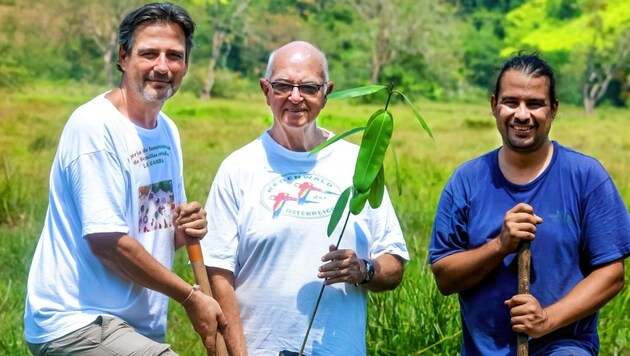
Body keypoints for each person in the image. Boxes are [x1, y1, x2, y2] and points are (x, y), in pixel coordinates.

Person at [24, 3, 229, 355]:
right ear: (123, 57)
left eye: (174, 56)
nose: (162, 66)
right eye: (149, 53)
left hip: (134, 326)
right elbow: (108, 243)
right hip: (79, 322)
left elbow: (151, 232)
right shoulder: (95, 127)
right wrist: (190, 296)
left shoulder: (166, 130)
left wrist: (182, 229)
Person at [199, 40, 409, 356]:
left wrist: (364, 270)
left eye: (309, 88)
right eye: (283, 85)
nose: (295, 98)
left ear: (326, 94)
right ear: (266, 90)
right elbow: (218, 275)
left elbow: (394, 262)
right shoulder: (238, 167)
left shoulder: (359, 164)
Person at [429, 53, 630, 355]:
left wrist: (546, 319)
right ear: (494, 105)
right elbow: (444, 277)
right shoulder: (466, 181)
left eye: (535, 104)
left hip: (564, 347)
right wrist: (500, 245)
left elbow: (612, 275)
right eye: (511, 102)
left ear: (553, 110)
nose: (522, 115)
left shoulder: (586, 177)